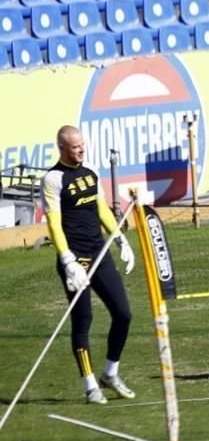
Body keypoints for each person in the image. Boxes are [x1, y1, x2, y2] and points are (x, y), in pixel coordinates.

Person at [41, 125, 137, 404]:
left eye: (82, 145)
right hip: (75, 259)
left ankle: (110, 372)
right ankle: (90, 384)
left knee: (123, 314)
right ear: (62, 148)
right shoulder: (53, 179)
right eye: (75, 147)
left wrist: (119, 239)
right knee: (83, 320)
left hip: (99, 253)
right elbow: (54, 223)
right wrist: (67, 260)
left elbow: (101, 208)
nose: (81, 150)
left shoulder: (91, 171)